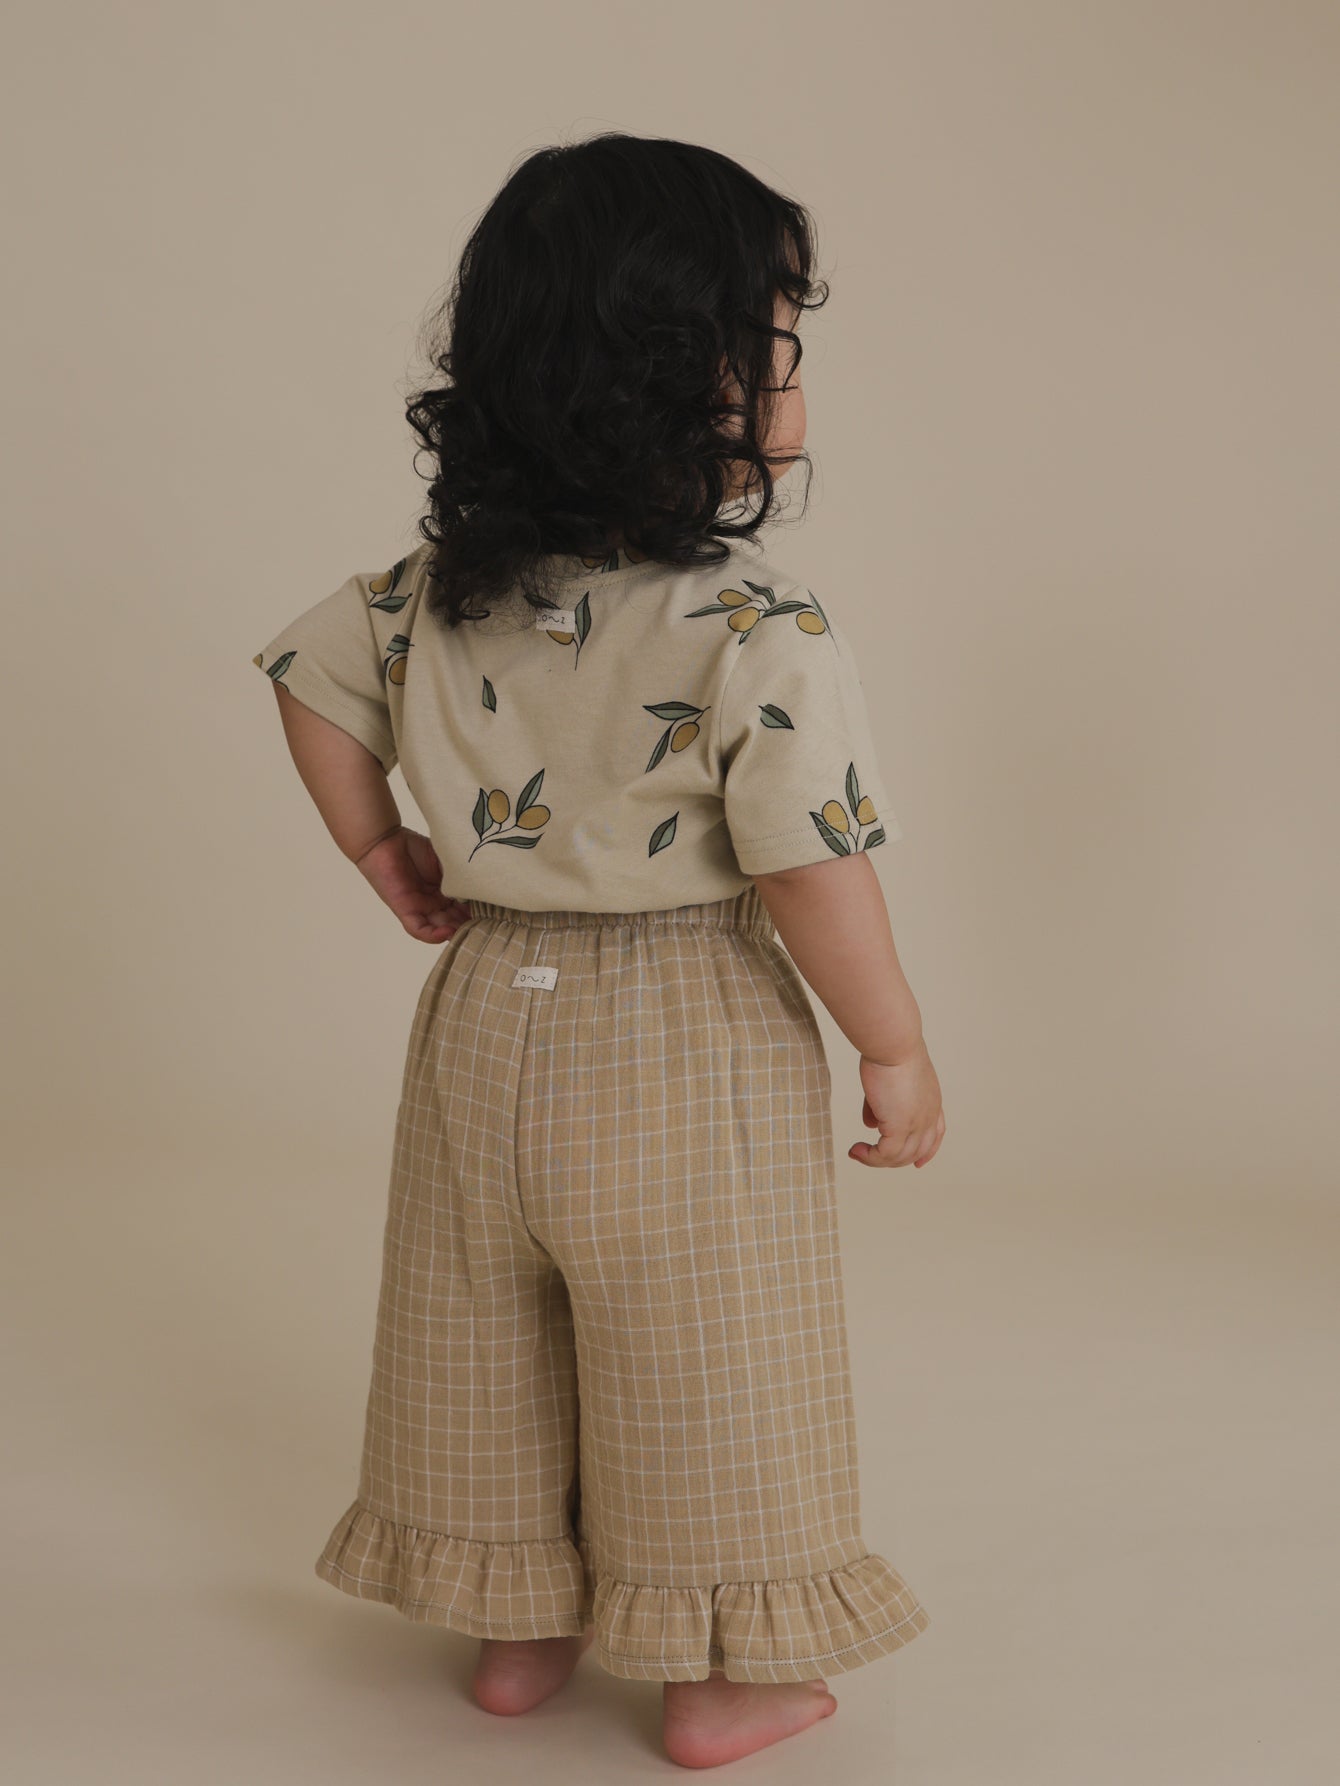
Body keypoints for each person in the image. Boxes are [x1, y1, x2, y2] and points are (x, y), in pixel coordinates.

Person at [249, 131, 944, 1770]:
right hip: (680, 1025)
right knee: (705, 1346)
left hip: (486, 1008)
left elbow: (302, 670)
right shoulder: (756, 623)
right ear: (688, 373)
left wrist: (381, 844)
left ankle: (517, 1633)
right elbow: (804, 862)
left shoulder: (439, 589)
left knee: (484, 1325)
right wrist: (892, 1041)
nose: (790, 364)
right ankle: (718, 1675)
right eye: (773, 333)